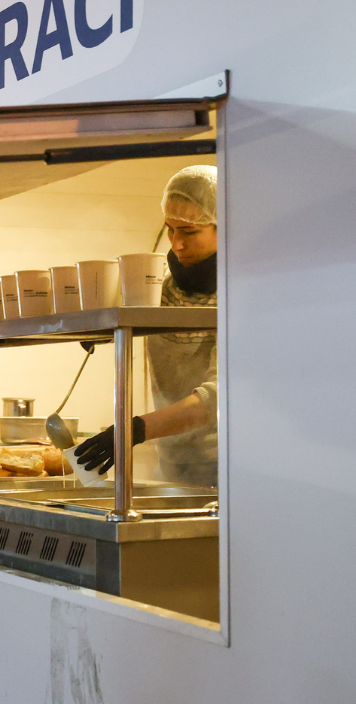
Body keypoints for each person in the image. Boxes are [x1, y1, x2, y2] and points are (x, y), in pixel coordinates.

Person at [77, 165, 220, 487]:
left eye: (189, 231)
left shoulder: (241, 293)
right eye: (171, 229)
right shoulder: (163, 288)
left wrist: (136, 429)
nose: (176, 244)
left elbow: (220, 397)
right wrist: (94, 325)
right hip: (172, 465)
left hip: (228, 469)